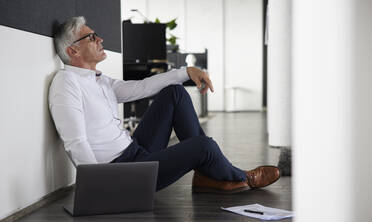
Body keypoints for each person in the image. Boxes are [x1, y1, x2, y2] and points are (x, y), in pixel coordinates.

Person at [49, 16, 280, 194]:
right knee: (203, 146)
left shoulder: (99, 80)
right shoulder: (66, 83)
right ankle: (241, 177)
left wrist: (186, 72)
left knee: (175, 93)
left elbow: (142, 88)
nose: (99, 39)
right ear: (73, 50)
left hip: (135, 152)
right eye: (91, 37)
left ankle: (206, 175)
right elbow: (75, 141)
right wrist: (97, 187)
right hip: (121, 174)